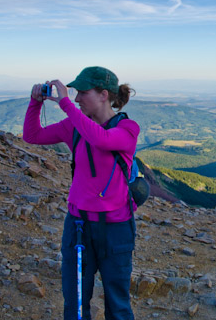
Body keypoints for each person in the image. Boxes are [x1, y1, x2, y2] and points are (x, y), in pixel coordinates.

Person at [23, 66, 139, 320]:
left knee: (118, 305)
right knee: (75, 304)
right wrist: (34, 104)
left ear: (103, 95)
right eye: (74, 94)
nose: (76, 98)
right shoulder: (73, 127)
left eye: (82, 92)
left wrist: (64, 104)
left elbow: (102, 140)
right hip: (78, 226)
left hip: (115, 228)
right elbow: (32, 136)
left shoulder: (128, 128)